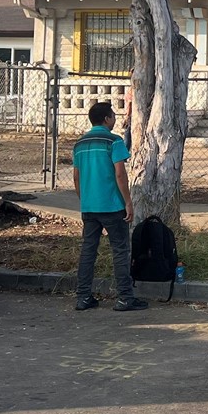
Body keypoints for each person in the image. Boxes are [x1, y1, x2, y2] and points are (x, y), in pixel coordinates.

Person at [72, 101, 148, 312]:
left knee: (88, 251)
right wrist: (128, 202)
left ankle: (83, 297)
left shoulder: (79, 144)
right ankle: (125, 297)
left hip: (89, 207)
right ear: (107, 119)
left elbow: (76, 178)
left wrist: (84, 200)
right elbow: (120, 173)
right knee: (120, 250)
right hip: (113, 205)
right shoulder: (114, 141)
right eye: (113, 115)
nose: (115, 118)